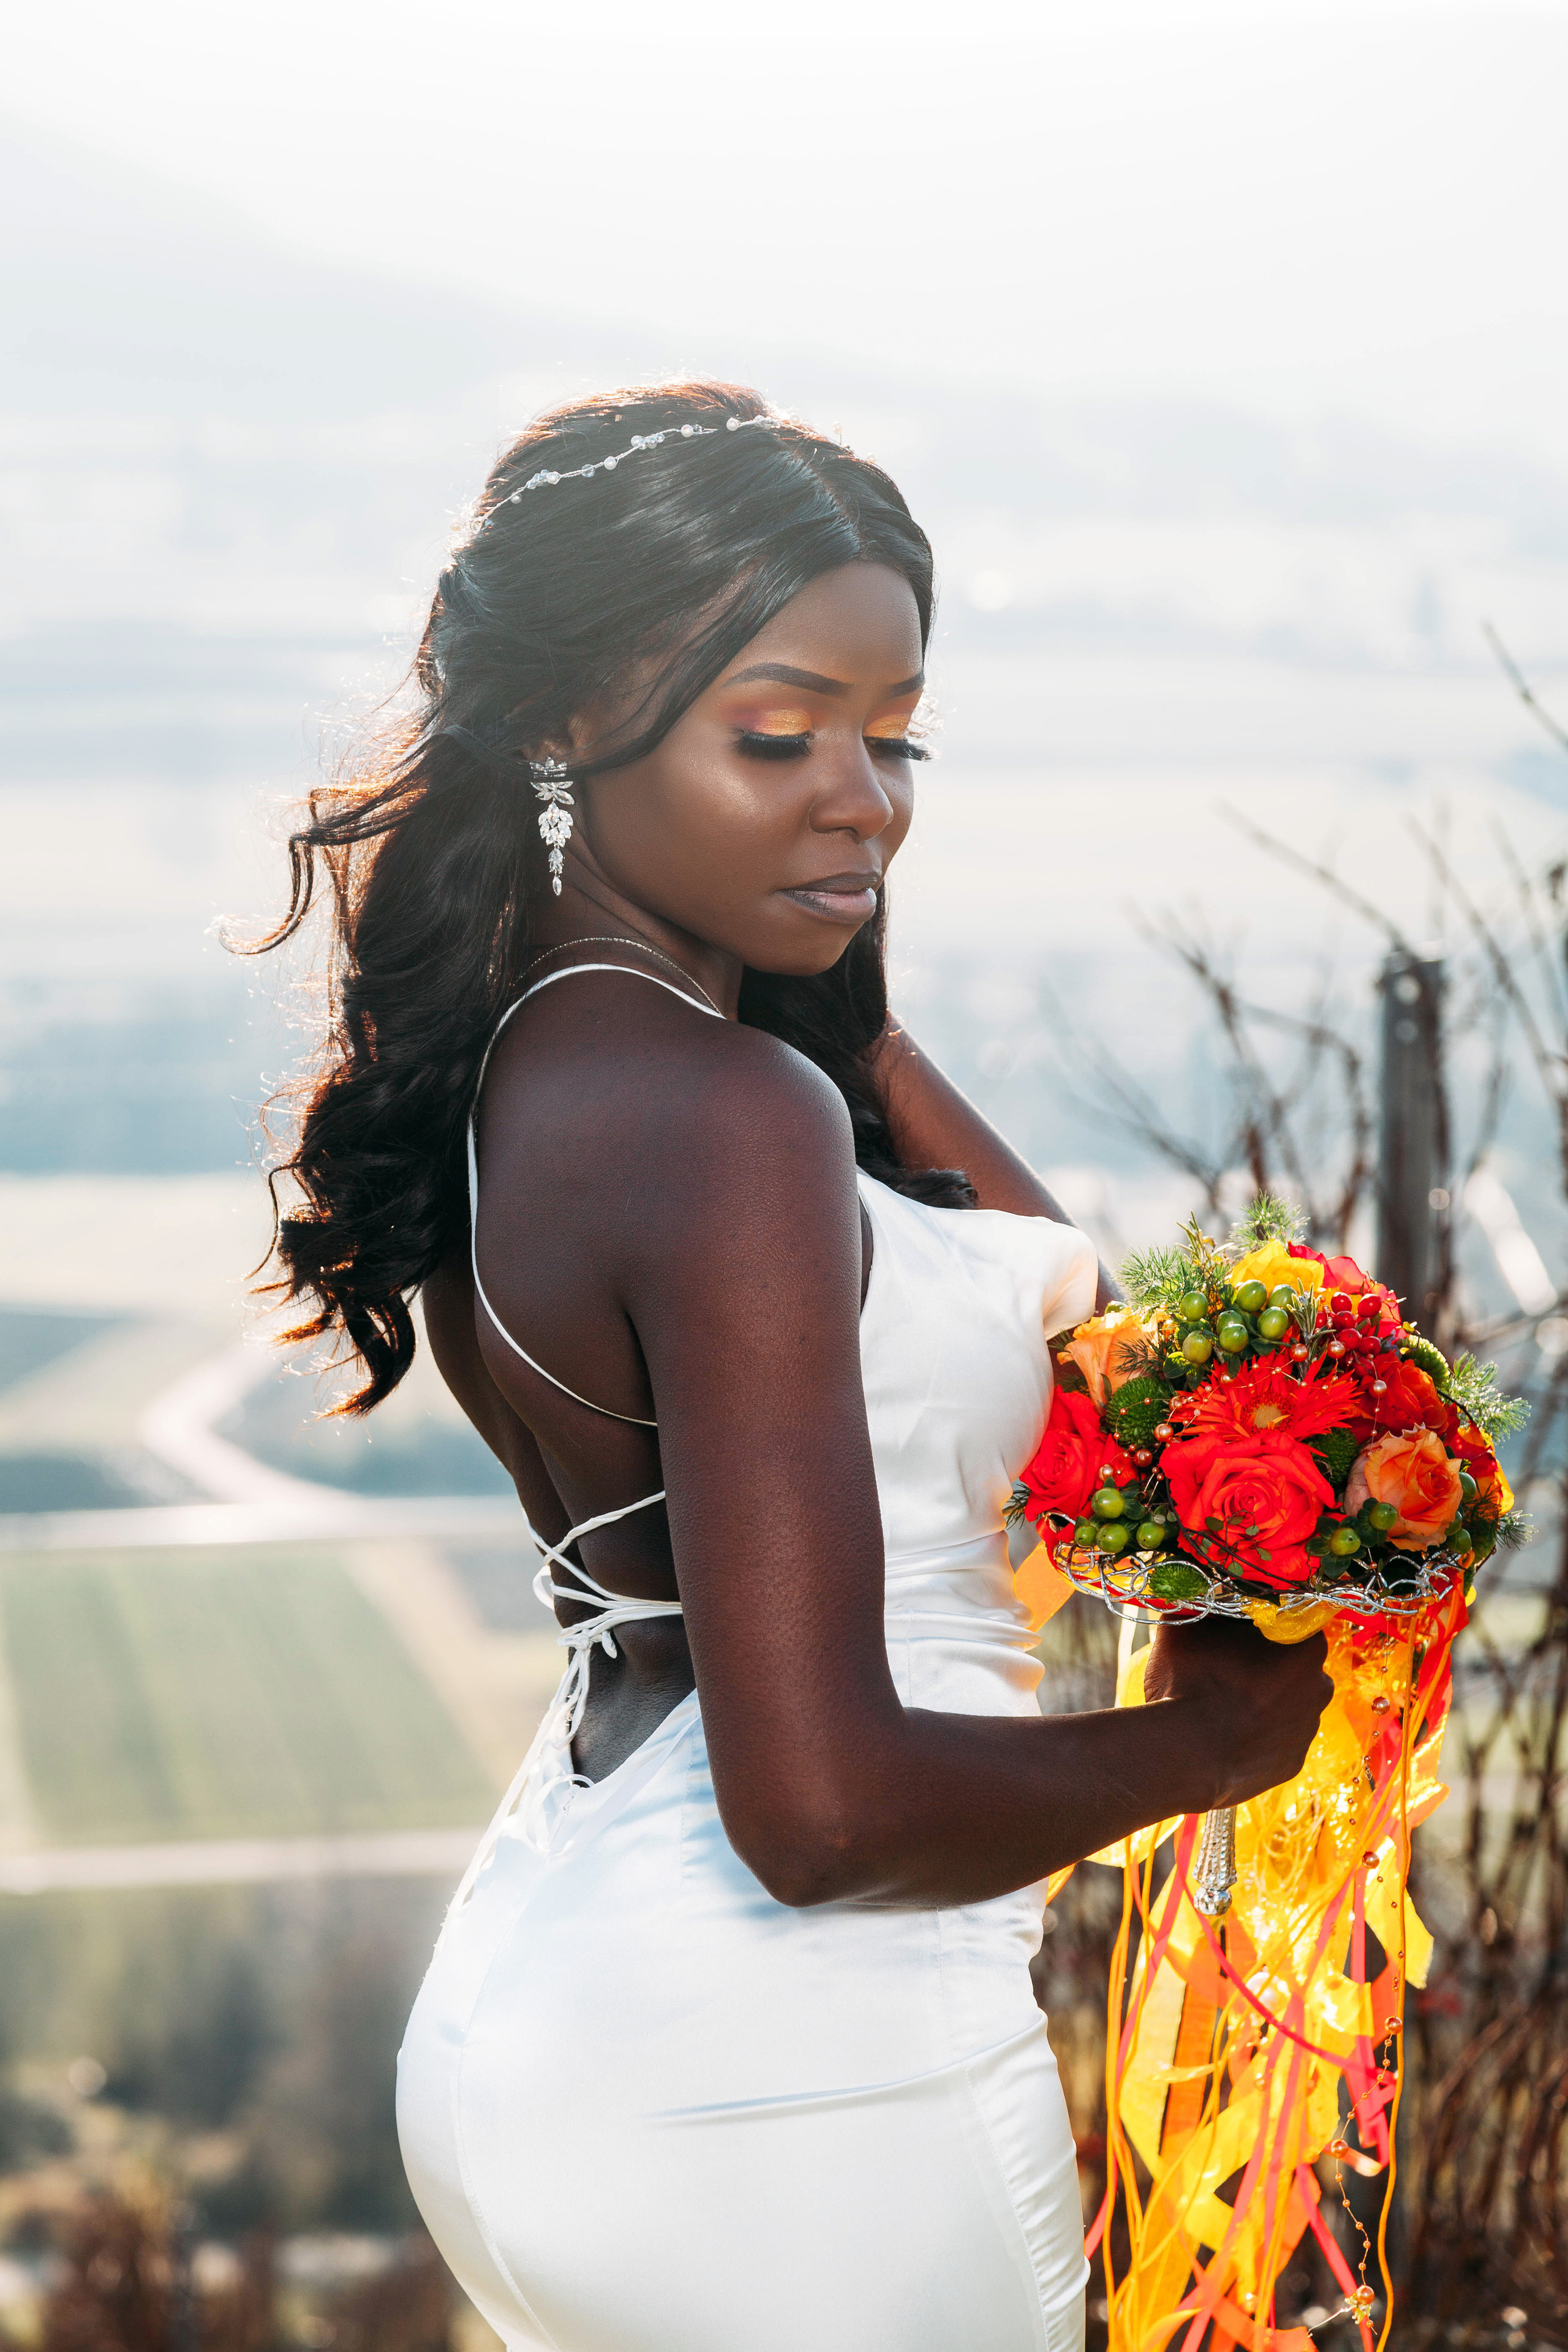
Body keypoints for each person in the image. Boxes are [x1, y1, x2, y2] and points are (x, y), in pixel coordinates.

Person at [251, 382, 1330, 2352]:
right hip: (800, 2070)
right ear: (571, 723)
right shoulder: (727, 1111)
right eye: (780, 732)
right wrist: (1220, 1747)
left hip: (576, 2011)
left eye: (894, 731)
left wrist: (830, 975)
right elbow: (818, 1815)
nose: (868, 795)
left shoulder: (576, 1057)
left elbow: (1092, 1352)